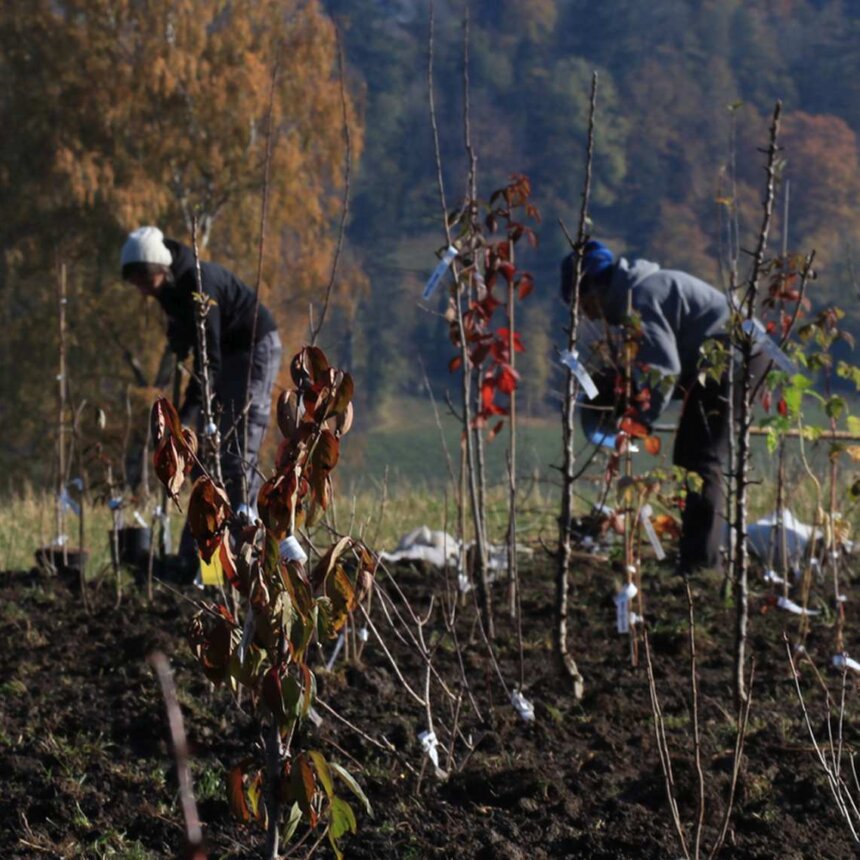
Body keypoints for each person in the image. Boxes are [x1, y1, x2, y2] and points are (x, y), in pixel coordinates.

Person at [561, 240, 769, 575]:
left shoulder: (640, 300)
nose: (581, 311)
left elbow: (663, 370)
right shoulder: (634, 294)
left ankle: (701, 567)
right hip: (716, 363)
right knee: (691, 458)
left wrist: (639, 421)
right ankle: (696, 558)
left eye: (578, 301)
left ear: (594, 288)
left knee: (699, 460)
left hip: (736, 358)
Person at [121, 226, 282, 557]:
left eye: (143, 281)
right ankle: (202, 549)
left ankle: (244, 546)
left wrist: (188, 413)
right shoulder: (167, 290)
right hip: (225, 353)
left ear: (159, 270)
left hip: (251, 348)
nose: (141, 291)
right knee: (209, 454)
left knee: (236, 443)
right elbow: (191, 342)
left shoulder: (198, 286)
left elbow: (209, 359)